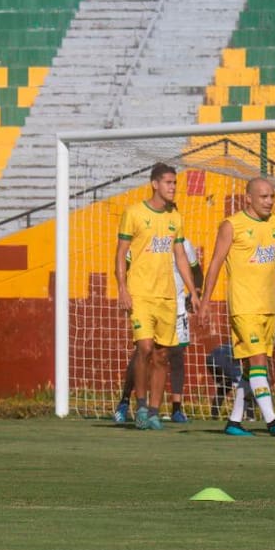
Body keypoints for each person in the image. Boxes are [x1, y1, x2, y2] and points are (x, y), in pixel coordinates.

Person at [198, 176, 275, 437]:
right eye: (263, 197)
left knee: (253, 368)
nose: (269, 201)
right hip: (243, 307)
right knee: (257, 361)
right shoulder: (232, 225)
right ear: (248, 198)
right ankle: (272, 420)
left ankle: (234, 423)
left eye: (272, 197)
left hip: (268, 306)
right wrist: (205, 301)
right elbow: (215, 263)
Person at [114, 163, 201, 431]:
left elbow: (180, 256)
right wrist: (122, 288)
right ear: (154, 184)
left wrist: (192, 291)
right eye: (168, 182)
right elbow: (121, 253)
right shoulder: (134, 213)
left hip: (167, 297)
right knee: (145, 348)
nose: (173, 187)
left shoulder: (175, 217)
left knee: (163, 355)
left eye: (174, 183)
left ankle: (153, 412)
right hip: (140, 294)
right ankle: (140, 405)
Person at [113, 241, 202, 423]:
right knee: (143, 351)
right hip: (146, 303)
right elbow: (124, 263)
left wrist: (196, 292)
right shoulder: (142, 238)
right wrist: (125, 289)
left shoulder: (183, 243)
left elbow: (197, 272)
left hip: (176, 307)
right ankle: (125, 401)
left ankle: (175, 409)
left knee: (175, 355)